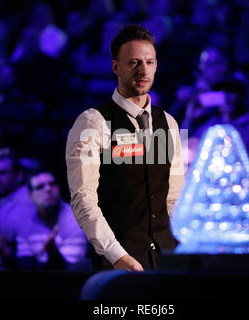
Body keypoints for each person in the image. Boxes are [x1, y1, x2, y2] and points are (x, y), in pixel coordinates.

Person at [66, 25, 185, 271]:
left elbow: (174, 199)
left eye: (149, 62)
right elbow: (83, 199)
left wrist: (180, 249)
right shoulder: (92, 121)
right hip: (116, 263)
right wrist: (117, 255)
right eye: (133, 62)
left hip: (166, 262)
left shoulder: (169, 123)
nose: (143, 70)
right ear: (115, 67)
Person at [15, 170, 90, 270]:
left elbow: (72, 269)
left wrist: (53, 255)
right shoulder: (24, 221)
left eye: (52, 184)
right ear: (30, 196)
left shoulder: (75, 219)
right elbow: (23, 265)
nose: (48, 189)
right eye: (40, 187)